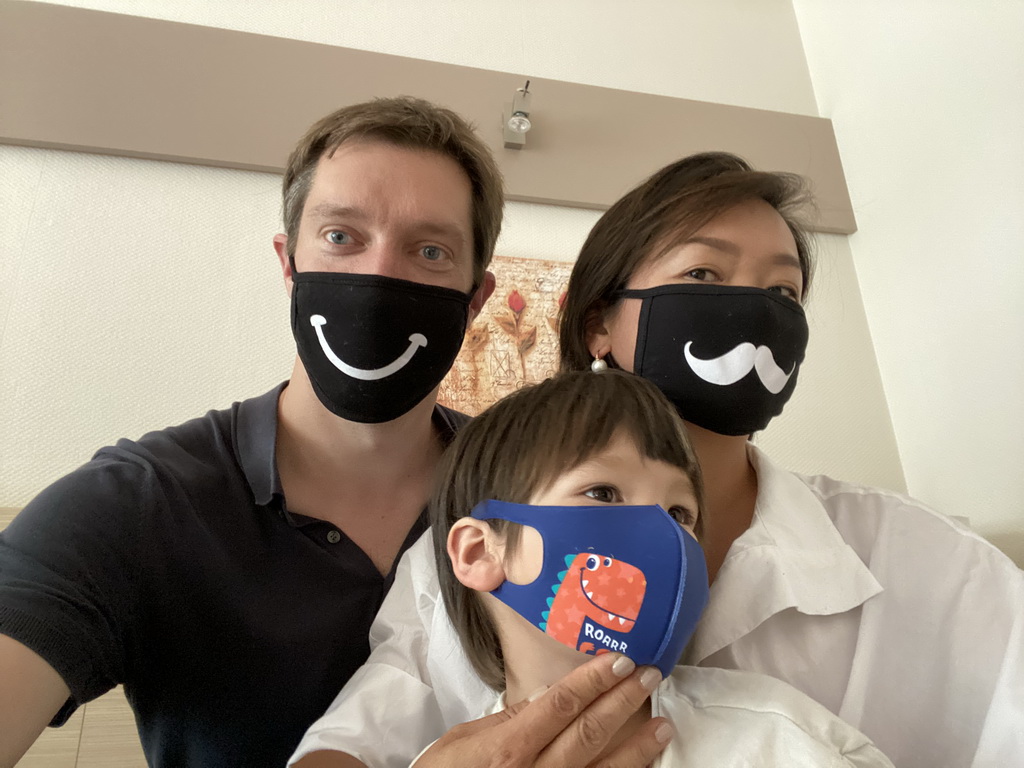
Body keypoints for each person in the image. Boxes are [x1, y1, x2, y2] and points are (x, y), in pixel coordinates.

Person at [289, 152, 1024, 768]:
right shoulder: (487, 554)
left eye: (783, 291)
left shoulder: (931, 564)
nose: (755, 313)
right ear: (597, 323)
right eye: (704, 276)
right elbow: (348, 744)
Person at [1, 97, 664, 768]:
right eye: (342, 237)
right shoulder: (136, 505)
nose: (379, 277)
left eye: (429, 250)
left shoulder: (548, 493)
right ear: (289, 264)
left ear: (476, 299)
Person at [433, 369, 894, 766]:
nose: (663, 534)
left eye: (679, 513)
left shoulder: (786, 737)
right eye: (603, 493)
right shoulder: (444, 760)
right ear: (478, 553)